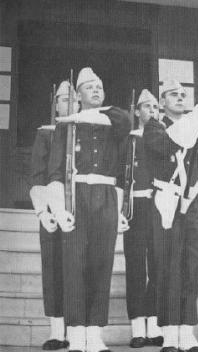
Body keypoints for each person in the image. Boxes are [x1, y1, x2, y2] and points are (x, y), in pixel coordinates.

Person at [47, 67, 131, 352]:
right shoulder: (67, 126)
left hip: (106, 197)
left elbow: (126, 123)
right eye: (90, 87)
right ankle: (77, 332)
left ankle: (95, 332)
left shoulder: (113, 124)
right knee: (74, 266)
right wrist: (59, 209)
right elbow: (56, 173)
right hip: (76, 196)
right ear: (78, 95)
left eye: (100, 86)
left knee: (101, 265)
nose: (96, 90)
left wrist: (119, 209)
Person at [143, 79, 198, 352]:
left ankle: (187, 331)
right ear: (162, 102)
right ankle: (170, 332)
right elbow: (165, 146)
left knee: (191, 267)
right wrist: (196, 117)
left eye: (184, 94)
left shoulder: (195, 126)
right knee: (167, 267)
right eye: (174, 94)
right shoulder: (154, 127)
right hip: (166, 201)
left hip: (191, 201)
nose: (181, 97)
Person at [29, 81, 75, 350]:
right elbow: (37, 175)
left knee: (77, 270)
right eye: (64, 100)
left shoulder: (84, 131)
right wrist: (43, 211)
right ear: (55, 104)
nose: (71, 104)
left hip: (79, 210)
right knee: (54, 269)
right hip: (51, 212)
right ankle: (57, 331)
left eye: (74, 100)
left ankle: (77, 327)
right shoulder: (46, 133)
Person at [123, 89, 163, 348]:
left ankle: (155, 324)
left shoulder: (162, 138)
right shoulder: (128, 140)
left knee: (159, 265)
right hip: (136, 207)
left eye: (156, 107)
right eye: (147, 107)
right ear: (137, 111)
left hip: (160, 206)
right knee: (136, 267)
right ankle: (138, 327)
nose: (153, 111)